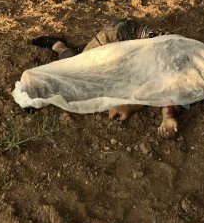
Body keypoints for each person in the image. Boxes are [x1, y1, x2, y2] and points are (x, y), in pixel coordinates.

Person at [31, 18, 185, 139]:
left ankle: (74, 52)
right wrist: (134, 107)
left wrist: (168, 118)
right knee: (77, 69)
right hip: (120, 35)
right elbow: (157, 88)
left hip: (131, 58)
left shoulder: (191, 75)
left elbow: (170, 94)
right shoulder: (184, 64)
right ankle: (60, 47)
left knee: (99, 79)